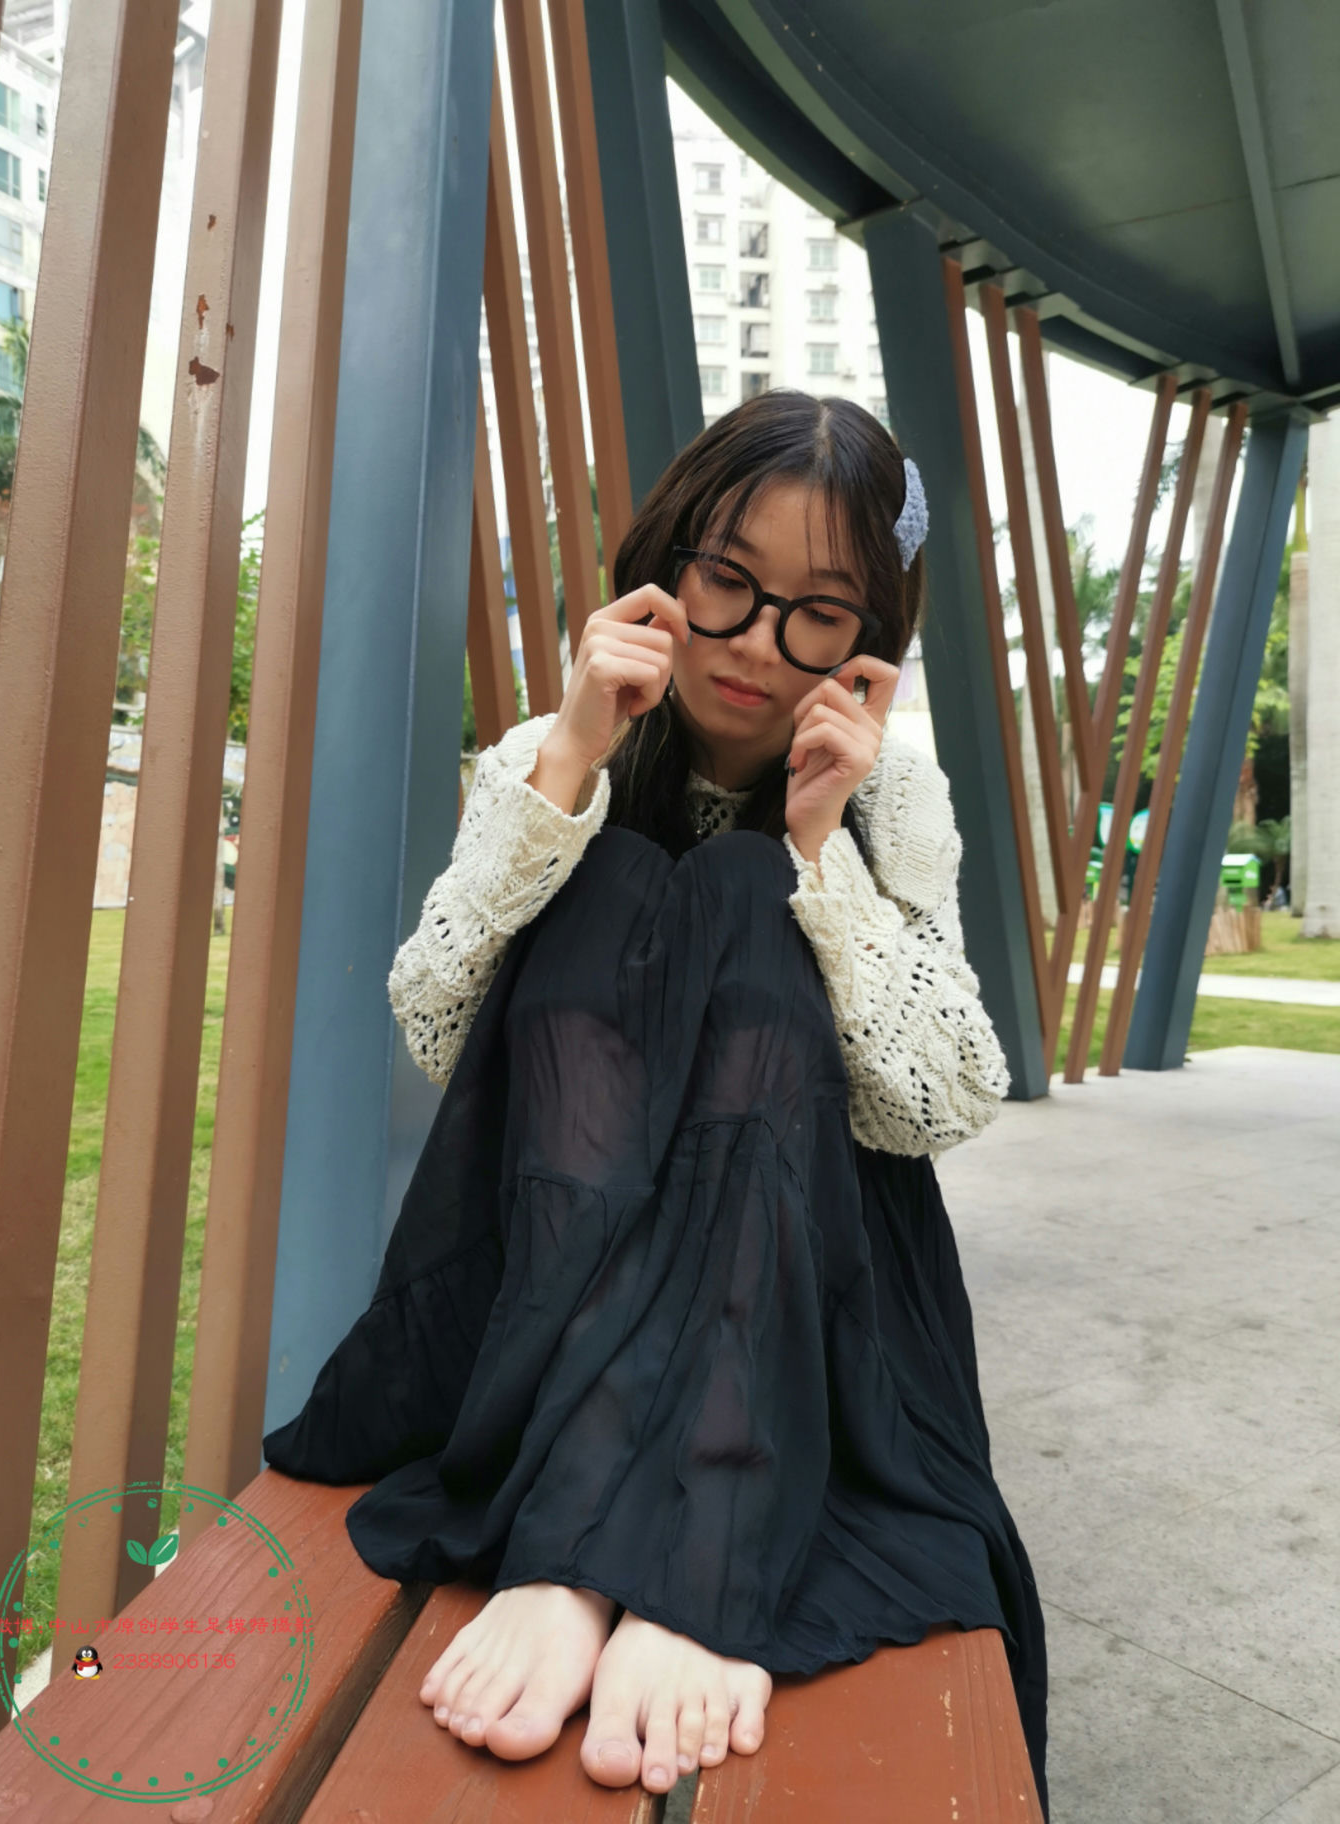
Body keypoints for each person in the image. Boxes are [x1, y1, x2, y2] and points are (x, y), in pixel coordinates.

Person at [262, 389, 1049, 1820]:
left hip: (798, 1308)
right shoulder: (552, 743)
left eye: (817, 614)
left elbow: (941, 1103)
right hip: (562, 1277)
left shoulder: (894, 795)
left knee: (747, 889)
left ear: (868, 638)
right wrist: (568, 764)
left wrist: (820, 857)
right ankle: (580, 1549)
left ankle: (686, 1538)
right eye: (728, 582)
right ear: (668, 559)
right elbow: (440, 1025)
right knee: (618, 877)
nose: (754, 644)